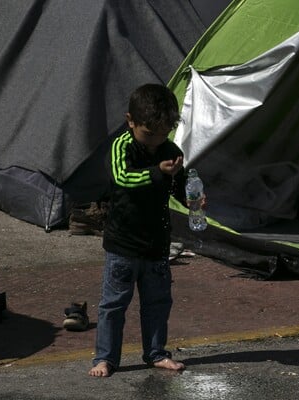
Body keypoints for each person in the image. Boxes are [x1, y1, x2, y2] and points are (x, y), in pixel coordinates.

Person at [89, 83, 187, 377]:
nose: (157, 142)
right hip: (124, 244)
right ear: (130, 120)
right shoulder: (123, 145)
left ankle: (156, 352)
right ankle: (105, 358)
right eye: (149, 134)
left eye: (164, 133)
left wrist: (191, 196)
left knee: (158, 301)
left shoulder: (170, 150)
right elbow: (122, 179)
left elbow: (178, 184)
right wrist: (158, 172)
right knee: (114, 303)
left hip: (157, 243)